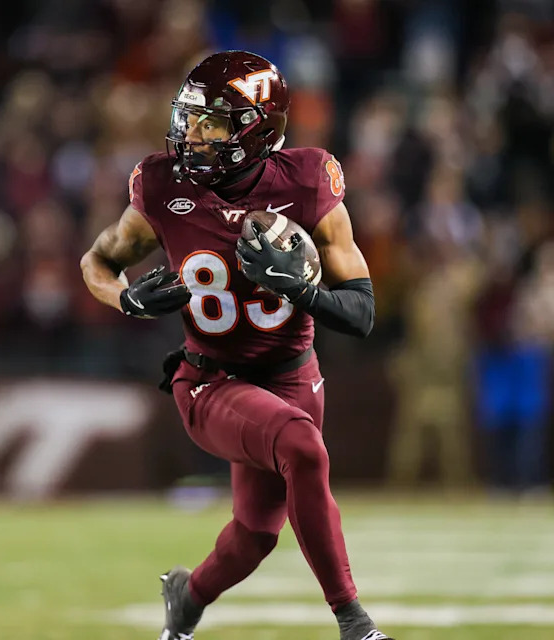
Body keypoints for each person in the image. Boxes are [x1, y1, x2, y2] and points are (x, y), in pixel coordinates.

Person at [80, 51, 390, 640]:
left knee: (256, 535)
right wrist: (127, 300)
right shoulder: (162, 186)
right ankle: (355, 622)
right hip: (209, 379)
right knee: (302, 447)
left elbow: (362, 312)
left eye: (213, 123)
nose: (192, 134)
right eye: (191, 118)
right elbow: (97, 261)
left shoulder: (305, 180)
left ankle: (186, 600)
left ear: (255, 128)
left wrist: (302, 290)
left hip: (294, 373)